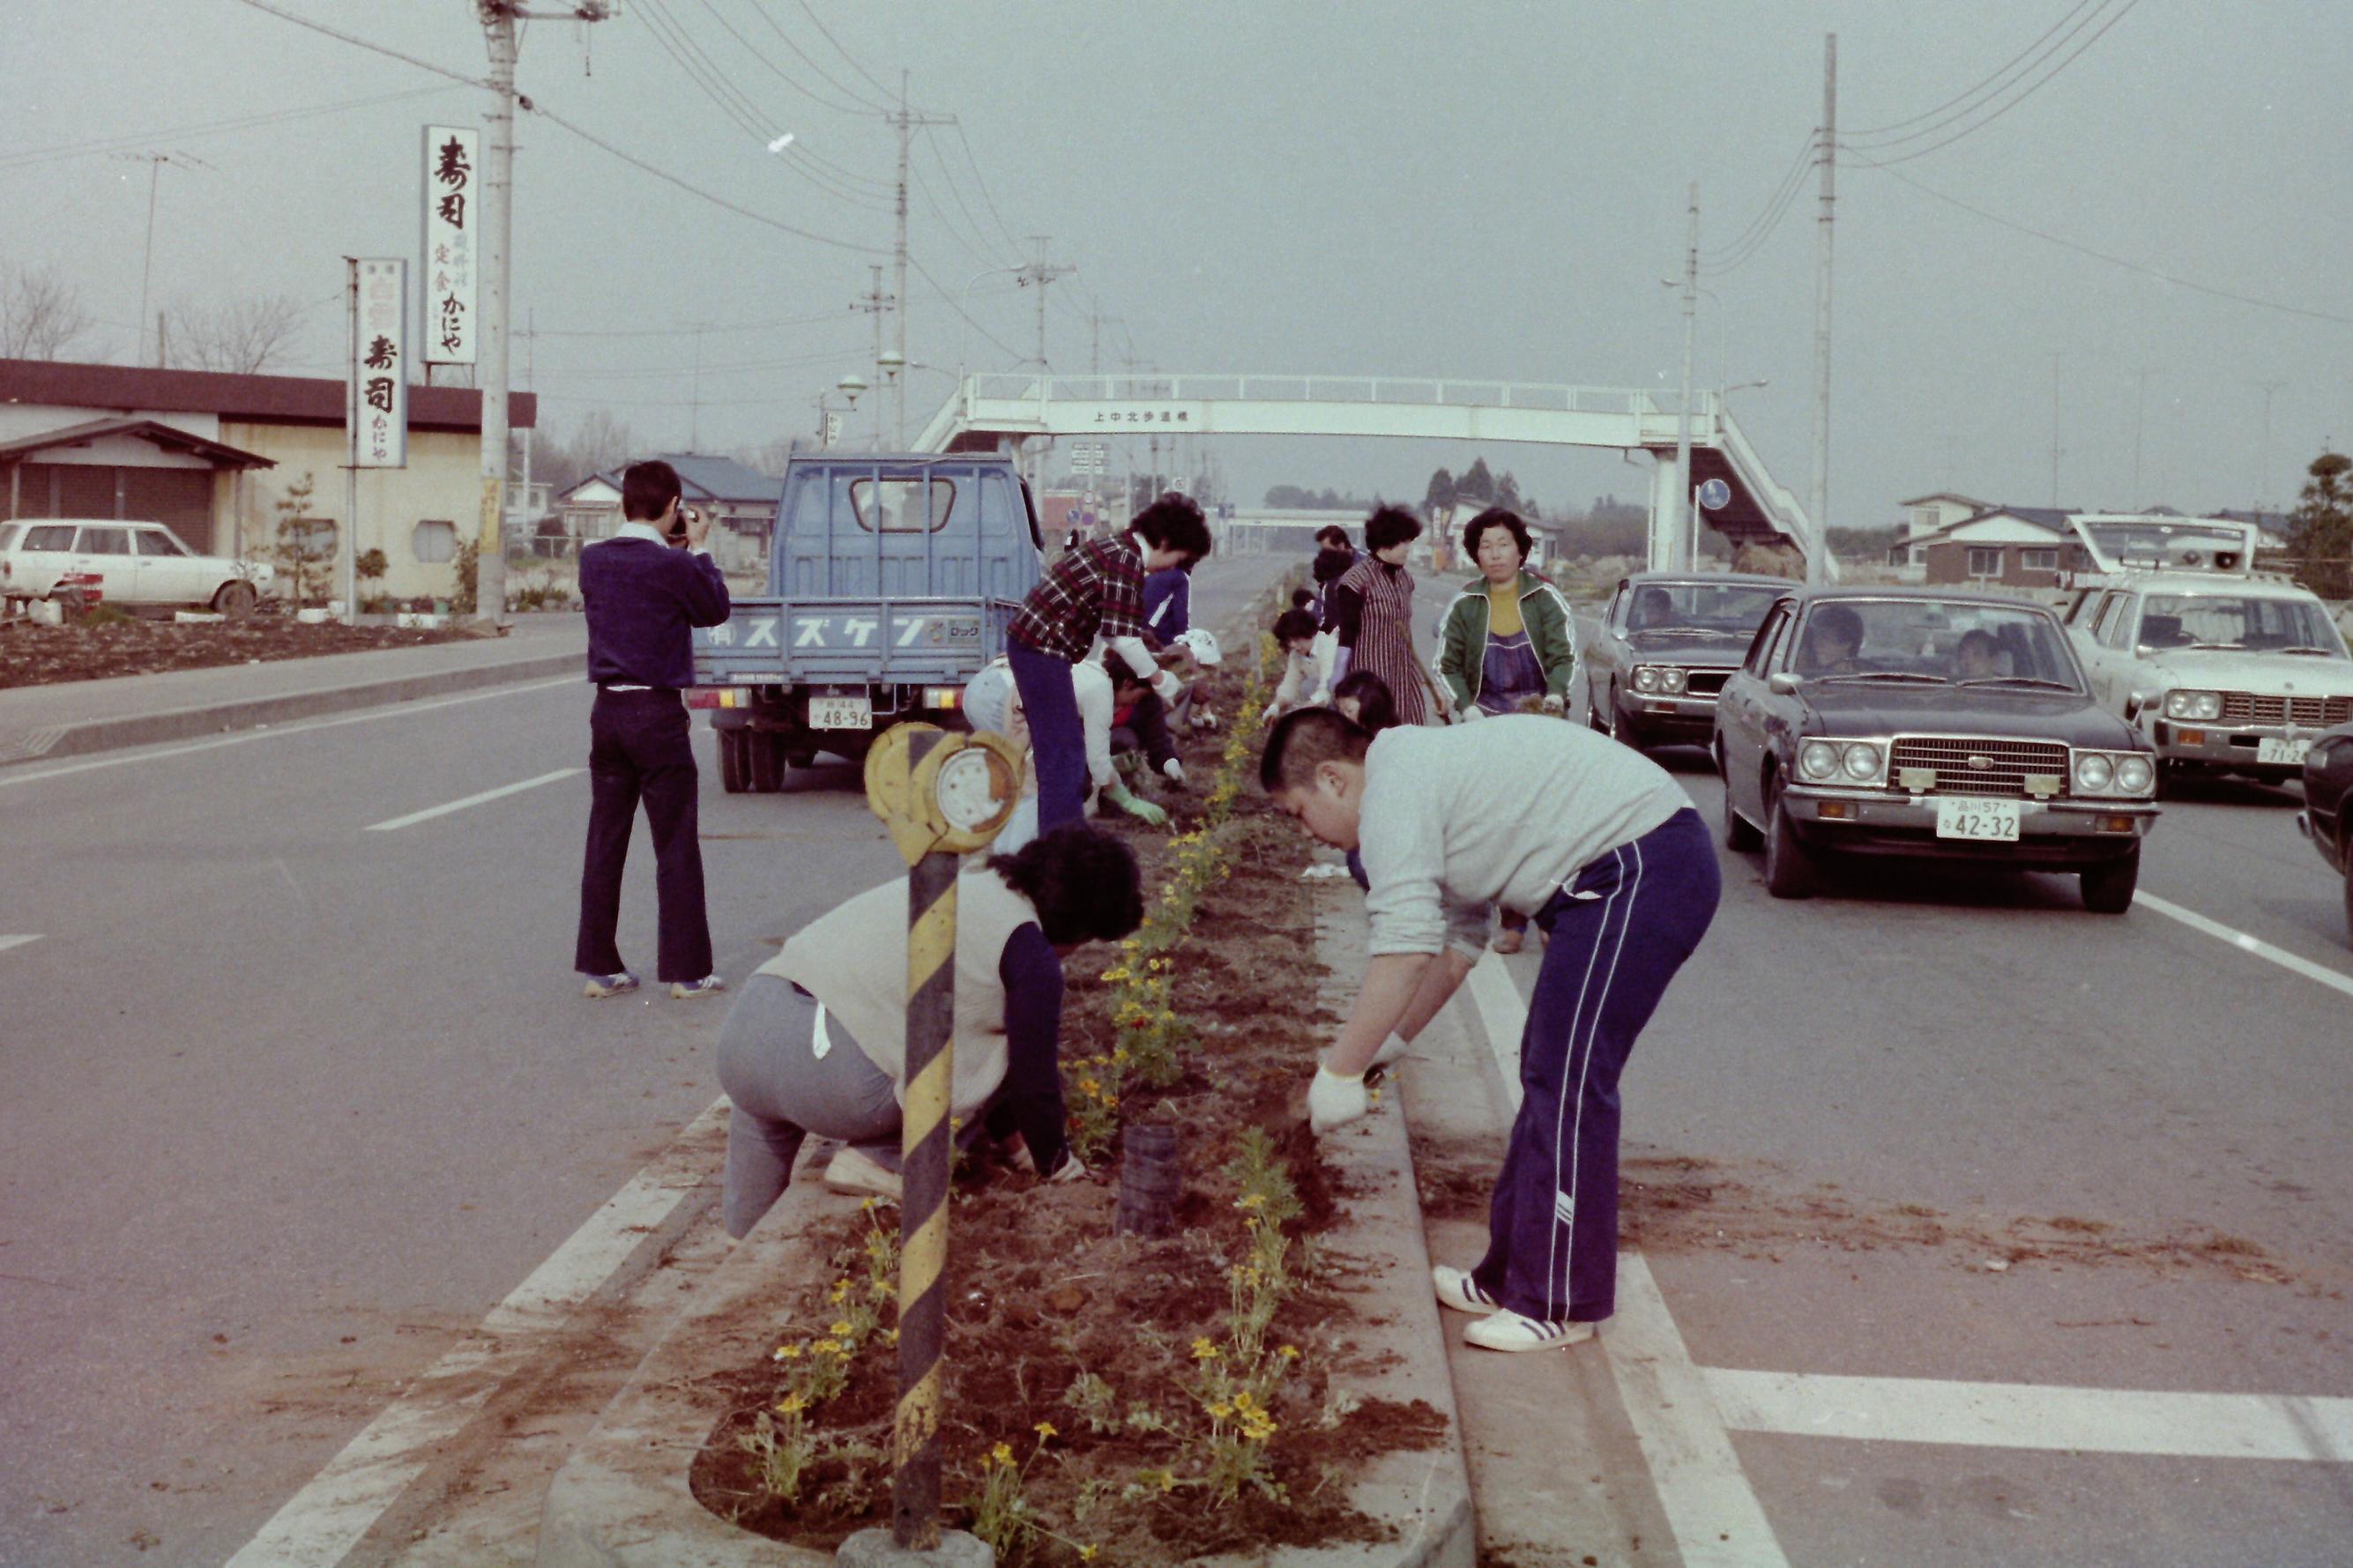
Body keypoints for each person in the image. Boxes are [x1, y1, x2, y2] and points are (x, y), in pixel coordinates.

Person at [1262, 708, 1717, 1353]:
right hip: (1619, 872)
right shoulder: (1412, 777)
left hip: (1642, 868)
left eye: (1299, 813)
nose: (1308, 834)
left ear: (1332, 779)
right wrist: (1387, 1046)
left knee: (1567, 1077)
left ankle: (1559, 1303)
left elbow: (1403, 949)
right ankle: (1509, 1275)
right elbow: (1456, 942)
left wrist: (1338, 1071)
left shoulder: (1393, 789)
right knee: (1545, 1063)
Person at [716, 826, 1143, 1234]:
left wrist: (1016, 1148)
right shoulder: (1030, 952)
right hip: (837, 1079)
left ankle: (738, 1248)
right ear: (1079, 926)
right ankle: (883, 1160)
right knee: (981, 1056)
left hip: (748, 1032)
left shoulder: (968, 883)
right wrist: (1057, 1163)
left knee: (764, 1113)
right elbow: (1030, 1077)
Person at [574, 459, 733, 1000]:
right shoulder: (674, 566)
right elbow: (712, 608)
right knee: (675, 842)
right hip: (657, 716)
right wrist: (702, 547)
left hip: (607, 714)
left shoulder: (592, 561)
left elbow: (644, 585)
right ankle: (687, 973)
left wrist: (677, 552)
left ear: (624, 504)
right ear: (673, 509)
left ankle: (599, 967)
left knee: (605, 839)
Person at [1007, 494, 1211, 832]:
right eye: (1180, 558)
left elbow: (1118, 632)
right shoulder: (1125, 559)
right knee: (1064, 758)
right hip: (1040, 650)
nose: (1174, 568)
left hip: (1040, 649)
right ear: (1164, 541)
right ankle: (1061, 848)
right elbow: (1121, 636)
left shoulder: (1120, 551)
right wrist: (1160, 679)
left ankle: (1059, 841)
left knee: (1063, 754)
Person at [1436, 509, 1578, 953]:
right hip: (1487, 722)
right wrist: (1467, 708)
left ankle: (1552, 914)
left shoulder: (1545, 600)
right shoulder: (1465, 604)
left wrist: (1555, 696)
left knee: (1546, 823)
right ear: (1475, 554)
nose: (1494, 554)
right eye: (1485, 546)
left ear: (1520, 549)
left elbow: (1564, 656)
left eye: (1502, 544)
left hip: (1540, 717)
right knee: (1502, 826)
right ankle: (1512, 921)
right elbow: (1448, 665)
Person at [1329, 505, 1429, 727]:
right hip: (1370, 679)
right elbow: (1347, 637)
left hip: (1402, 675)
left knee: (1406, 737)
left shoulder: (1406, 579)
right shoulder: (1356, 581)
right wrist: (1337, 682)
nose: (1408, 548)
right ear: (1387, 542)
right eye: (1405, 542)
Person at [1796, 604, 1864, 676]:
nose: (1817, 643)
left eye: (1825, 638)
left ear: (1846, 644)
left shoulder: (1867, 677)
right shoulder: (1807, 677)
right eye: (1816, 637)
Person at [1310, 524, 1358, 624]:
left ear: (1341, 545)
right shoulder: (1328, 569)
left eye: (1327, 550)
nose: (1324, 554)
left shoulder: (1367, 564)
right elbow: (1321, 603)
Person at [1143, 559, 1192, 643]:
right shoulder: (1180, 578)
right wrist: (1184, 639)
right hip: (1159, 634)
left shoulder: (1152, 575)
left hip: (1140, 630)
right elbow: (1181, 613)